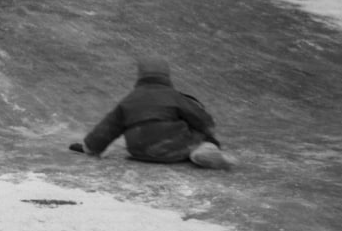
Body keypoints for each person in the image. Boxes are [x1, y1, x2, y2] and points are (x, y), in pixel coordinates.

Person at [69, 57, 234, 169]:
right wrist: (208, 132)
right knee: (200, 134)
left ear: (140, 76)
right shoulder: (174, 96)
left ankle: (194, 150)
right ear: (166, 76)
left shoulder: (129, 100)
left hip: (140, 152)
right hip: (174, 149)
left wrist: (89, 147)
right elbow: (201, 120)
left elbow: (107, 128)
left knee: (136, 129)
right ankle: (205, 150)